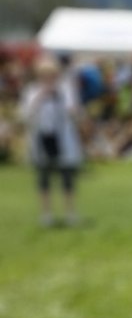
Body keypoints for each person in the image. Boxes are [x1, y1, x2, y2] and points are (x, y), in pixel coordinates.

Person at [19, 54, 84, 226]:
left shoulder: (65, 90)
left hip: (62, 138)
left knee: (66, 177)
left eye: (52, 75)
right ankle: (46, 214)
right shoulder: (32, 91)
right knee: (44, 177)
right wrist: (41, 97)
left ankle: (70, 213)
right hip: (42, 137)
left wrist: (69, 106)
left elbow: (75, 113)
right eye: (44, 75)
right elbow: (25, 115)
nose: (48, 79)